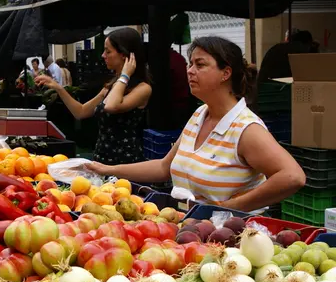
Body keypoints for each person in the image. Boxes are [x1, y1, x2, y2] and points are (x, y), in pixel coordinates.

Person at [86, 36, 305, 212]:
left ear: (225, 73)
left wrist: (230, 208)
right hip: (191, 229)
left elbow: (292, 176)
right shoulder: (200, 114)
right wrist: (108, 169)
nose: (190, 70)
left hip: (228, 240)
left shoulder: (245, 128)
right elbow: (164, 167)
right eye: (190, 64)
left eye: (200, 64)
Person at [37, 28, 152, 165]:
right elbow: (81, 112)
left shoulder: (143, 88)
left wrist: (125, 75)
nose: (103, 55)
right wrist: (58, 88)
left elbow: (111, 106)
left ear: (124, 55)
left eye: (108, 51)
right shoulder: (110, 86)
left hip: (125, 162)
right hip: (101, 159)